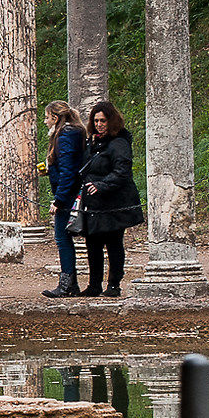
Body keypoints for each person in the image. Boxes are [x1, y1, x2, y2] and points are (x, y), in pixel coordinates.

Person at [73, 100, 143, 297]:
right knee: (92, 244)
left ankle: (114, 285)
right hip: (94, 203)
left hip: (113, 203)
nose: (99, 124)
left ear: (111, 121)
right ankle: (94, 285)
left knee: (113, 244)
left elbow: (122, 171)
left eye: (103, 120)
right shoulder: (92, 143)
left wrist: (101, 185)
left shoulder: (119, 143)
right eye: (96, 120)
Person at [40, 101, 85, 299]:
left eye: (47, 117)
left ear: (55, 118)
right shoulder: (73, 132)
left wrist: (58, 200)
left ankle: (67, 284)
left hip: (67, 195)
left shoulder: (65, 135)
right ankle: (70, 284)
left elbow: (69, 170)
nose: (45, 121)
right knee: (63, 238)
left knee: (62, 238)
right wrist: (50, 170)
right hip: (70, 191)